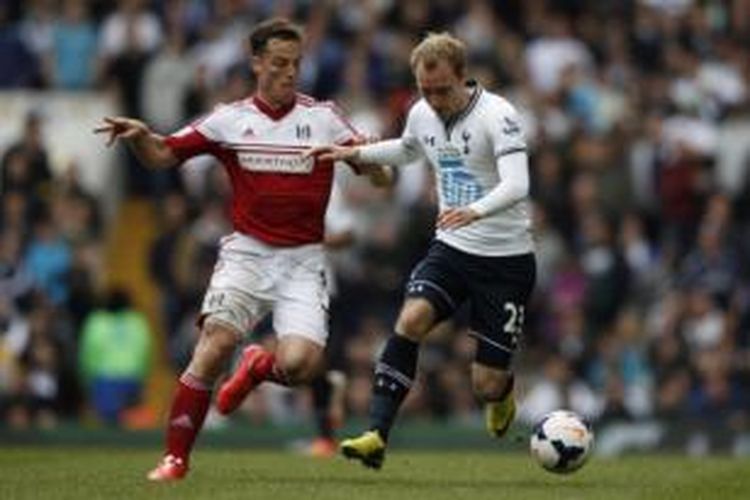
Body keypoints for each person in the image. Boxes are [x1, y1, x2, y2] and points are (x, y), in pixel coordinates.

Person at [94, 18, 390, 481]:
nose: (289, 73)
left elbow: (382, 178)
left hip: (304, 261)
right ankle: (175, 459)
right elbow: (162, 154)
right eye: (278, 63)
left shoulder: (324, 117)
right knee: (215, 344)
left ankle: (257, 365)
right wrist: (138, 139)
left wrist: (369, 161)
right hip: (248, 254)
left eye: (295, 64)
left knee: (301, 366)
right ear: (256, 63)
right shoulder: (229, 119)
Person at [308, 32, 536, 469]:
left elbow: (518, 184)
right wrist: (350, 153)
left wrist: (475, 209)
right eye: (424, 91)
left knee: (485, 385)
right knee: (410, 320)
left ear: (463, 77)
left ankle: (502, 392)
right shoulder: (421, 113)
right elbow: (409, 150)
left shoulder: (499, 115)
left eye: (442, 90)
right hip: (451, 248)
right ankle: (376, 433)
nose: (433, 100)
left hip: (506, 261)